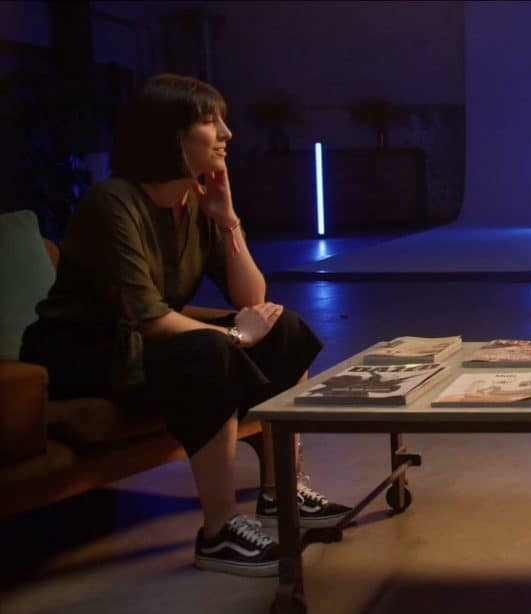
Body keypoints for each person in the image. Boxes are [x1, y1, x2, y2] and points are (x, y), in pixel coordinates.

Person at [19, 74, 351, 577]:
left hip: (143, 345)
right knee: (210, 350)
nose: (227, 134)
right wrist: (234, 336)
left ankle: (281, 490)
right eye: (210, 122)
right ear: (170, 135)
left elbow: (251, 297)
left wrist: (228, 220)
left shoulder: (195, 203)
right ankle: (219, 531)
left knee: (283, 327)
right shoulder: (113, 204)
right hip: (86, 354)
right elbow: (148, 318)